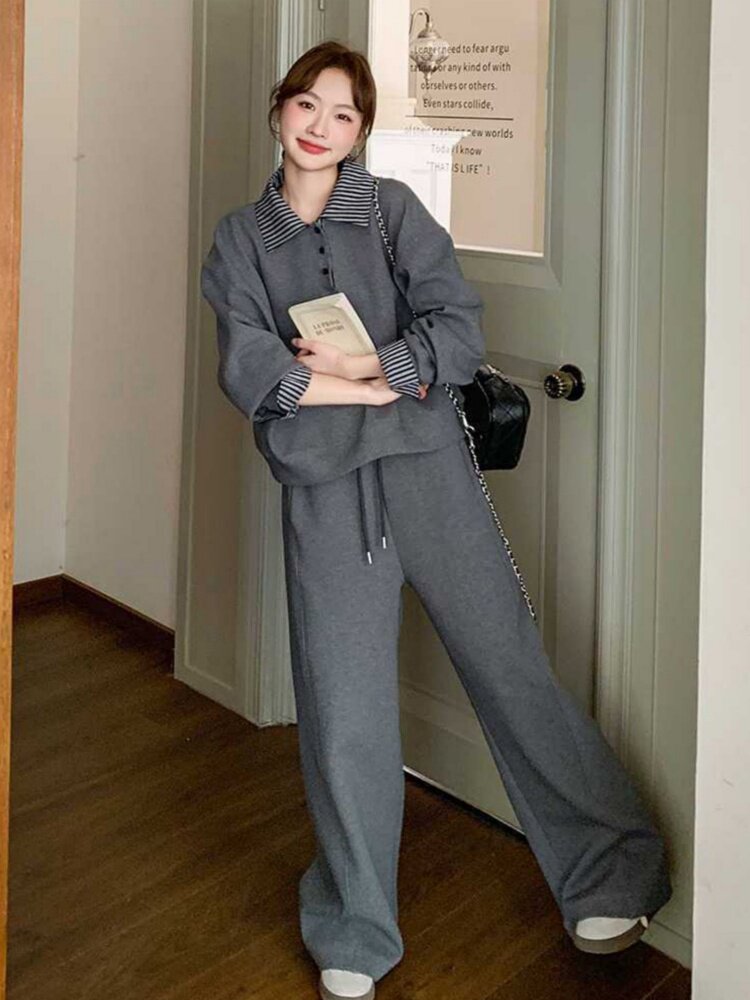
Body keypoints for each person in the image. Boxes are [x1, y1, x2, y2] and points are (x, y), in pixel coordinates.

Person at [200, 39, 673, 1000]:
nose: (321, 126)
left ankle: (611, 869)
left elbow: (458, 330)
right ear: (279, 109)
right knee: (343, 709)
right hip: (326, 492)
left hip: (432, 475)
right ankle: (355, 922)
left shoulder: (394, 211)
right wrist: (365, 389)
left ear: (361, 131)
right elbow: (252, 368)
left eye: (343, 114)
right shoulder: (239, 240)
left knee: (509, 666)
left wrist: (362, 368)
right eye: (307, 104)